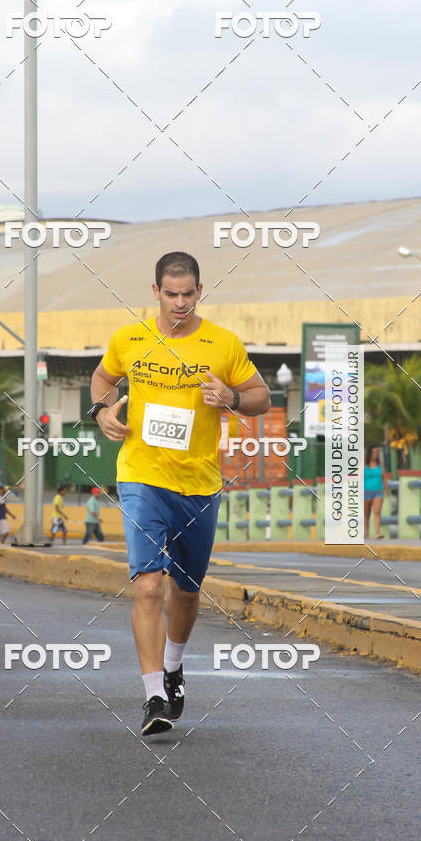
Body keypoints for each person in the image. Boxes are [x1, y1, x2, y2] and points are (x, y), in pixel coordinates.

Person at [89, 251, 270, 735]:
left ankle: (173, 665)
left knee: (185, 592)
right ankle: (152, 697)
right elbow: (104, 378)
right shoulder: (130, 339)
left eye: (189, 293)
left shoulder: (222, 343)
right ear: (155, 293)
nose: (180, 303)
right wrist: (102, 410)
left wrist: (231, 398)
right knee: (148, 584)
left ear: (199, 290)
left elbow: (262, 397)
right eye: (171, 294)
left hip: (198, 484)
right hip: (141, 474)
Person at [364, 444, 389, 539]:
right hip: (365, 491)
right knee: (366, 513)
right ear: (369, 453)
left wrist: (386, 490)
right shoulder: (364, 465)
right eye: (374, 452)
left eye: (377, 452)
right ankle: (367, 534)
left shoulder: (380, 464)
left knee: (377, 511)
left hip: (378, 491)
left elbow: (384, 477)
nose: (376, 454)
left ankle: (378, 532)